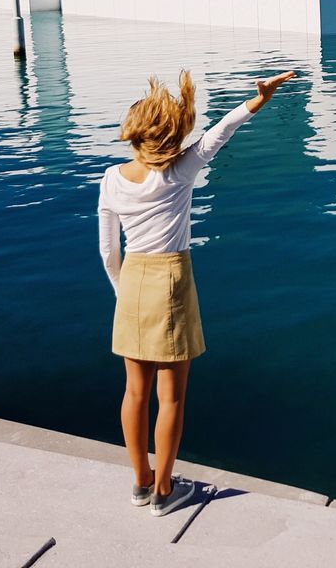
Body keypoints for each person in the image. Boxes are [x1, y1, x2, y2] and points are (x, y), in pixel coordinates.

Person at [98, 69, 295, 515]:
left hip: (130, 283)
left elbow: (109, 251)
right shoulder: (179, 173)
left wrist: (121, 294)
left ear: (134, 135)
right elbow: (217, 135)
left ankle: (140, 483)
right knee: (171, 398)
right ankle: (165, 492)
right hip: (170, 281)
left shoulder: (111, 179)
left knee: (134, 393)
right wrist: (258, 100)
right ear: (168, 135)